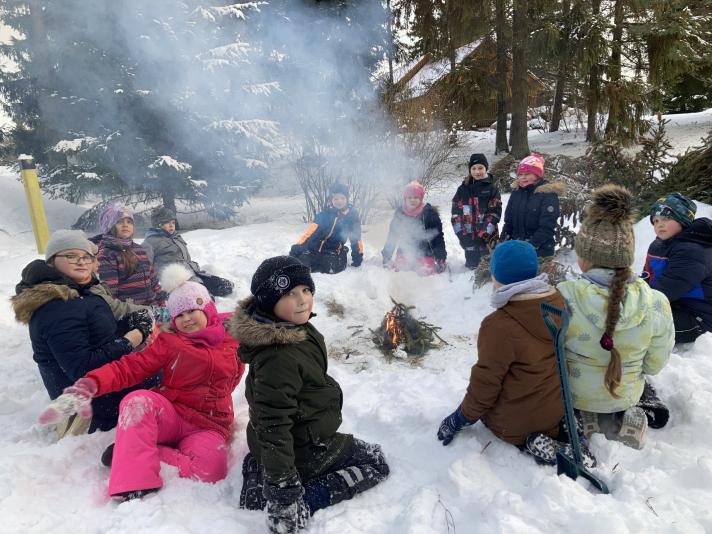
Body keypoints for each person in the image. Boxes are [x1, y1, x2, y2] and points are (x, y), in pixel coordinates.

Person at [38, 264, 245, 501]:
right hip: (172, 415)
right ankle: (133, 482)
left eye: (191, 310)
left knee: (210, 472)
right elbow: (129, 368)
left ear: (208, 308)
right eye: (179, 315)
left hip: (209, 423)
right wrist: (89, 385)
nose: (186, 319)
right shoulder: (171, 342)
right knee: (137, 401)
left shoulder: (235, 338)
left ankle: (136, 452)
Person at [230, 256, 389, 533]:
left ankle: (259, 467)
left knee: (269, 448)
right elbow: (274, 425)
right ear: (269, 302)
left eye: (306, 290)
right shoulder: (278, 356)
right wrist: (284, 490)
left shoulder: (293, 328)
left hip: (274, 441)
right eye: (290, 293)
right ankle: (307, 496)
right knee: (375, 461)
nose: (303, 299)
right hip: (302, 448)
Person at [436, 240, 595, 466]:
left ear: (498, 278)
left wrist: (461, 417)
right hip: (557, 407)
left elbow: (486, 383)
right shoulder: (556, 301)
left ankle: (532, 442)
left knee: (499, 417)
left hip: (516, 422)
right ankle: (569, 433)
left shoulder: (499, 325)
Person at [558, 185, 674, 449]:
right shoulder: (655, 302)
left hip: (574, 393)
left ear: (584, 258)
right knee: (636, 380)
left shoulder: (564, 296)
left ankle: (584, 414)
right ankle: (628, 411)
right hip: (626, 392)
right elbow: (655, 364)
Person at [11, 230, 156, 436]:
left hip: (103, 384)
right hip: (91, 402)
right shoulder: (56, 306)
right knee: (174, 370)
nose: (81, 262)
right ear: (52, 262)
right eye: (70, 256)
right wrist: (131, 339)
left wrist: (128, 324)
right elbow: (82, 368)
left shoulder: (81, 292)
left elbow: (98, 333)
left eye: (86, 256)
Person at [642, 192, 712, 344]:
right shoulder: (657, 246)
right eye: (655, 220)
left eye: (666, 218)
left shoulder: (695, 250)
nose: (659, 224)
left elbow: (668, 288)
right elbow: (647, 278)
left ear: (683, 220)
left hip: (698, 319)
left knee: (634, 320)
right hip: (672, 306)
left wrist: (630, 301)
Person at [142, 206, 234, 298]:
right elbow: (144, 267)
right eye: (167, 223)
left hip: (192, 273)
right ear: (158, 225)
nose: (171, 225)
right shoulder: (150, 242)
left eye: (173, 222)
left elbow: (186, 258)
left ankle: (202, 287)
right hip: (176, 280)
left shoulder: (176, 237)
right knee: (203, 298)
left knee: (225, 286)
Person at [90, 202, 165, 306]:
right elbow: (110, 293)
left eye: (129, 222)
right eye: (119, 221)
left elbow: (152, 279)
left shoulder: (139, 250)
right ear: (108, 225)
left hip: (153, 307)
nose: (125, 225)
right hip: (130, 312)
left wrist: (162, 301)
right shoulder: (106, 254)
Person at [289, 182, 363, 274]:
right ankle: (312, 261)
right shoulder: (324, 214)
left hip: (333, 250)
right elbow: (310, 233)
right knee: (301, 264)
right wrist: (298, 247)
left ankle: (341, 254)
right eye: (336, 198)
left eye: (342, 198)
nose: (339, 201)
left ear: (347, 199)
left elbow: (356, 238)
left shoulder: (351, 216)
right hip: (315, 249)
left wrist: (357, 257)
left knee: (330, 267)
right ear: (331, 200)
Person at [500, 153, 562, 258]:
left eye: (528, 174)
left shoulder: (548, 195)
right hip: (517, 248)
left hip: (539, 251)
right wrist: (502, 242)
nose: (523, 177)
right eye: (520, 174)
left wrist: (529, 245)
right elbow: (509, 222)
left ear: (537, 175)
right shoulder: (516, 194)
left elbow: (547, 227)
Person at [382, 181, 447, 275]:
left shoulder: (429, 213)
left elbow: (438, 238)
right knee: (400, 272)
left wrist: (441, 258)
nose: (412, 200)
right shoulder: (400, 213)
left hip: (425, 252)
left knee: (424, 273)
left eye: (416, 197)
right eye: (410, 197)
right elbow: (392, 235)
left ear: (421, 198)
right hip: (405, 252)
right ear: (405, 198)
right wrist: (386, 256)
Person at [451, 153, 502, 269]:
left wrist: (483, 235)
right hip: (468, 238)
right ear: (470, 170)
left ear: (486, 168)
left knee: (489, 269)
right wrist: (462, 235)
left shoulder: (491, 189)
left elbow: (494, 214)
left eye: (480, 168)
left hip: (487, 239)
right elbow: (455, 215)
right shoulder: (462, 189)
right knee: (472, 268)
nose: (477, 172)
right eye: (473, 168)